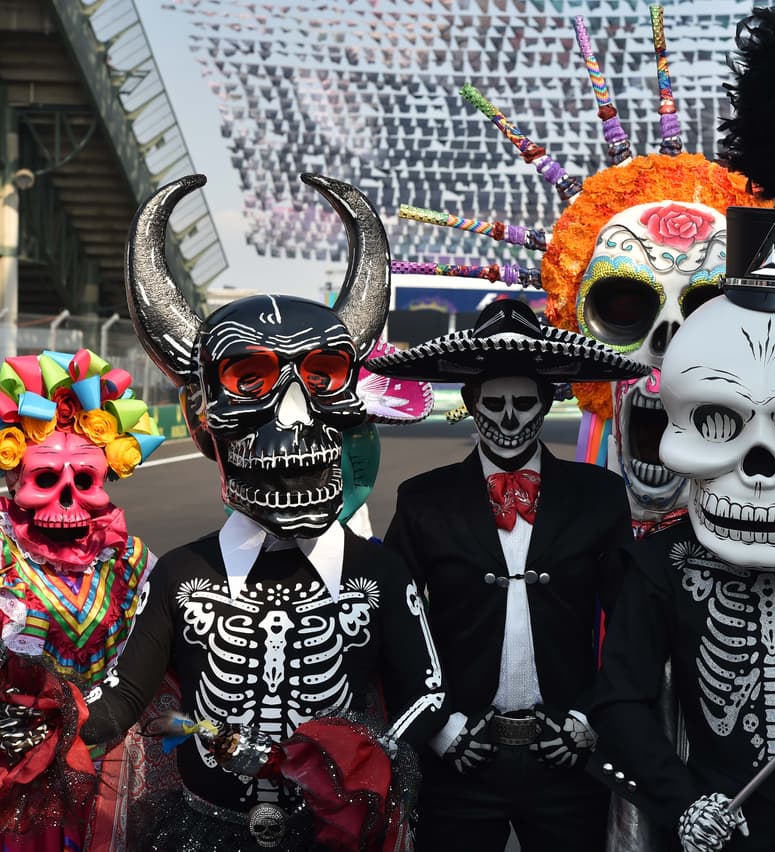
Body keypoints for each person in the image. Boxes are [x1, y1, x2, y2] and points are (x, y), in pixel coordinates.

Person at [27, 171, 453, 851]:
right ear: (208, 421)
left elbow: (426, 693)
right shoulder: (182, 573)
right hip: (203, 829)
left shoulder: (379, 573)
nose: (295, 420)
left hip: (335, 835)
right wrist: (46, 721)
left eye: (319, 381)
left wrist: (369, 754)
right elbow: (124, 696)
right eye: (249, 382)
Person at [375, 298, 648, 852]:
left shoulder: (598, 496)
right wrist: (440, 726)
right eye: (493, 403)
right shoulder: (424, 500)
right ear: (470, 402)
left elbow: (631, 622)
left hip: (567, 759)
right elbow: (395, 625)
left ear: (546, 403)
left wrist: (590, 717)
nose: (507, 420)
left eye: (523, 403)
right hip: (459, 762)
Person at [0, 349, 165, 850]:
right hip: (16, 775)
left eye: (86, 480)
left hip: (113, 767)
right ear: (13, 478)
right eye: (46, 479)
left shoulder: (132, 560)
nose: (69, 498)